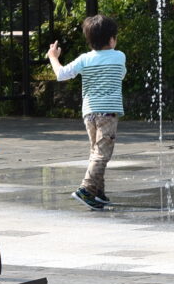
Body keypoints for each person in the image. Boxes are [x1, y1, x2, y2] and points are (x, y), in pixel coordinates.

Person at [47, 14, 127, 210]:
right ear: (111, 39)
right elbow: (121, 75)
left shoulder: (85, 59)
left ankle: (98, 192)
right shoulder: (119, 56)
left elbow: (61, 74)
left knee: (96, 151)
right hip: (108, 113)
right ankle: (86, 189)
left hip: (89, 113)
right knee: (102, 154)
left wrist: (53, 57)